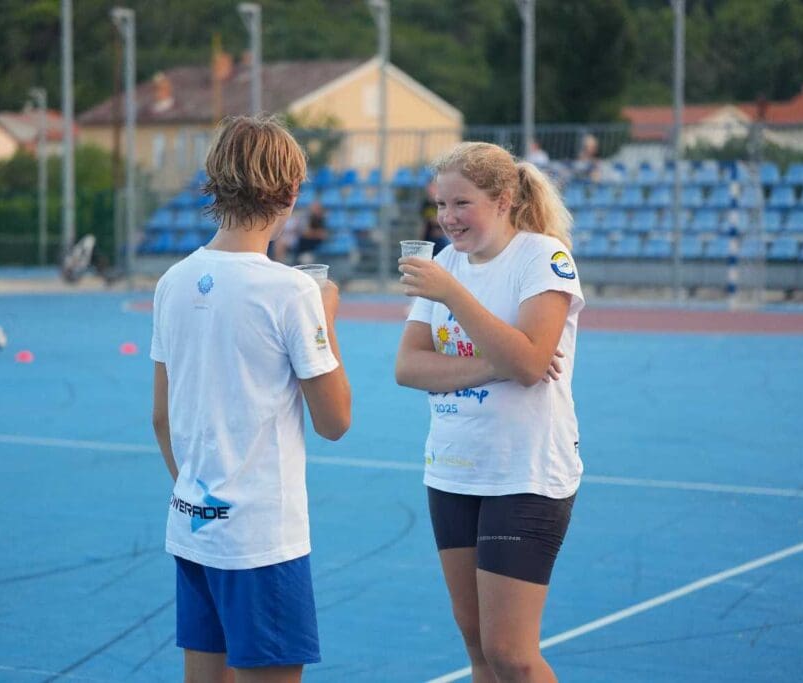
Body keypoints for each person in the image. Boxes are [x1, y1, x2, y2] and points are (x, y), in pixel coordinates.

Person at [150, 115, 352, 683]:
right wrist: (326, 317)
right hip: (261, 539)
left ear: (215, 182)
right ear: (290, 192)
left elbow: (161, 417)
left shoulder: (172, 281)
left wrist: (199, 493)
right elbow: (335, 420)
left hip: (193, 524)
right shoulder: (292, 291)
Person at [395, 141, 583, 682]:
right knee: (479, 648)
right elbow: (408, 367)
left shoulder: (543, 258)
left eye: (462, 203)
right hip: (454, 470)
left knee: (511, 655)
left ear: (503, 200)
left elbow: (530, 364)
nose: (448, 218)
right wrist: (495, 363)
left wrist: (455, 297)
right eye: (441, 204)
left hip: (523, 473)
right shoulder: (444, 264)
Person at [292, 200, 328, 264]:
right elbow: (305, 232)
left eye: (316, 208)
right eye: (313, 208)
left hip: (315, 241)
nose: (314, 210)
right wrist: (315, 233)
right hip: (306, 241)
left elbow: (323, 234)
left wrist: (312, 233)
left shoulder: (321, 219)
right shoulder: (309, 217)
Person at [420, 180, 450, 251]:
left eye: (434, 187)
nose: (431, 190)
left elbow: (445, 220)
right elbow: (425, 222)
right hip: (429, 236)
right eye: (429, 187)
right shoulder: (426, 204)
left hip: (442, 238)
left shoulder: (443, 203)